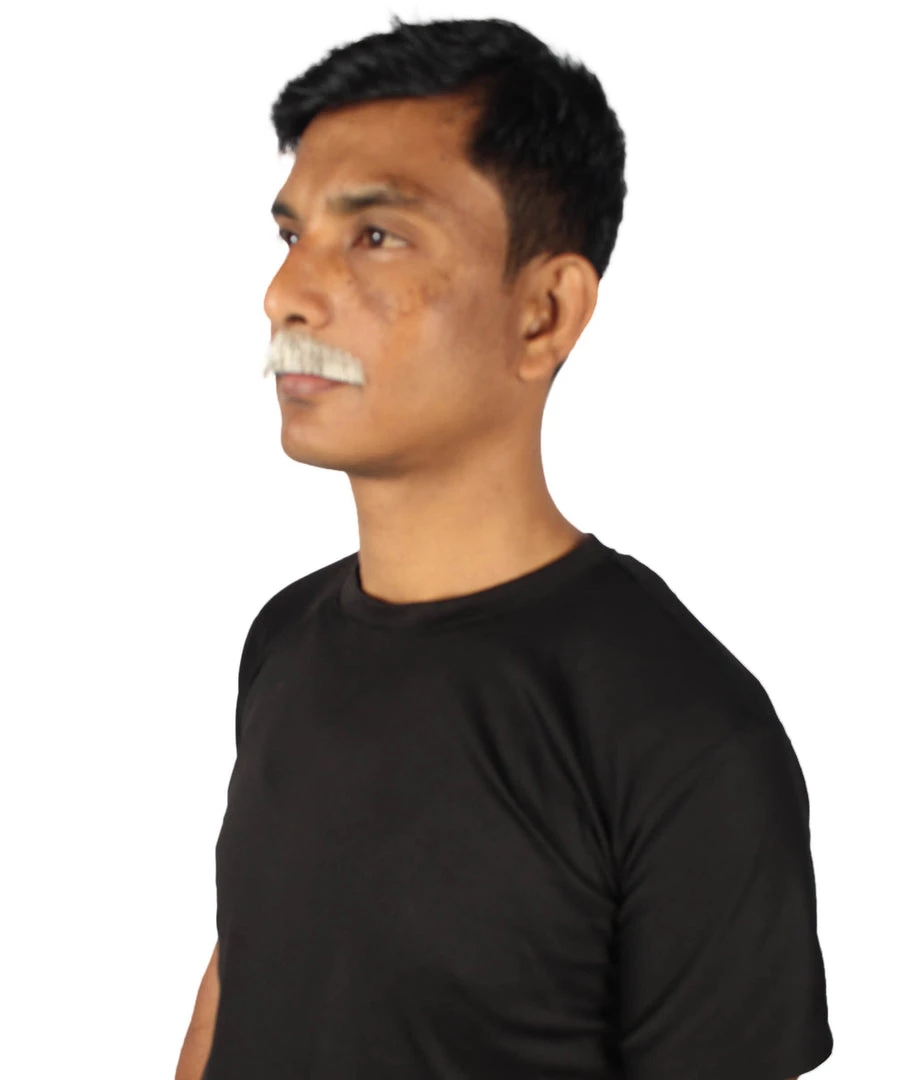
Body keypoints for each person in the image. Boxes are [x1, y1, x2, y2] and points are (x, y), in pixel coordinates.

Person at [175, 15, 833, 1080]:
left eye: (375, 236)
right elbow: (246, 966)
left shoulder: (680, 733)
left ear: (543, 313)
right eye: (291, 235)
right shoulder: (284, 639)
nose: (284, 295)